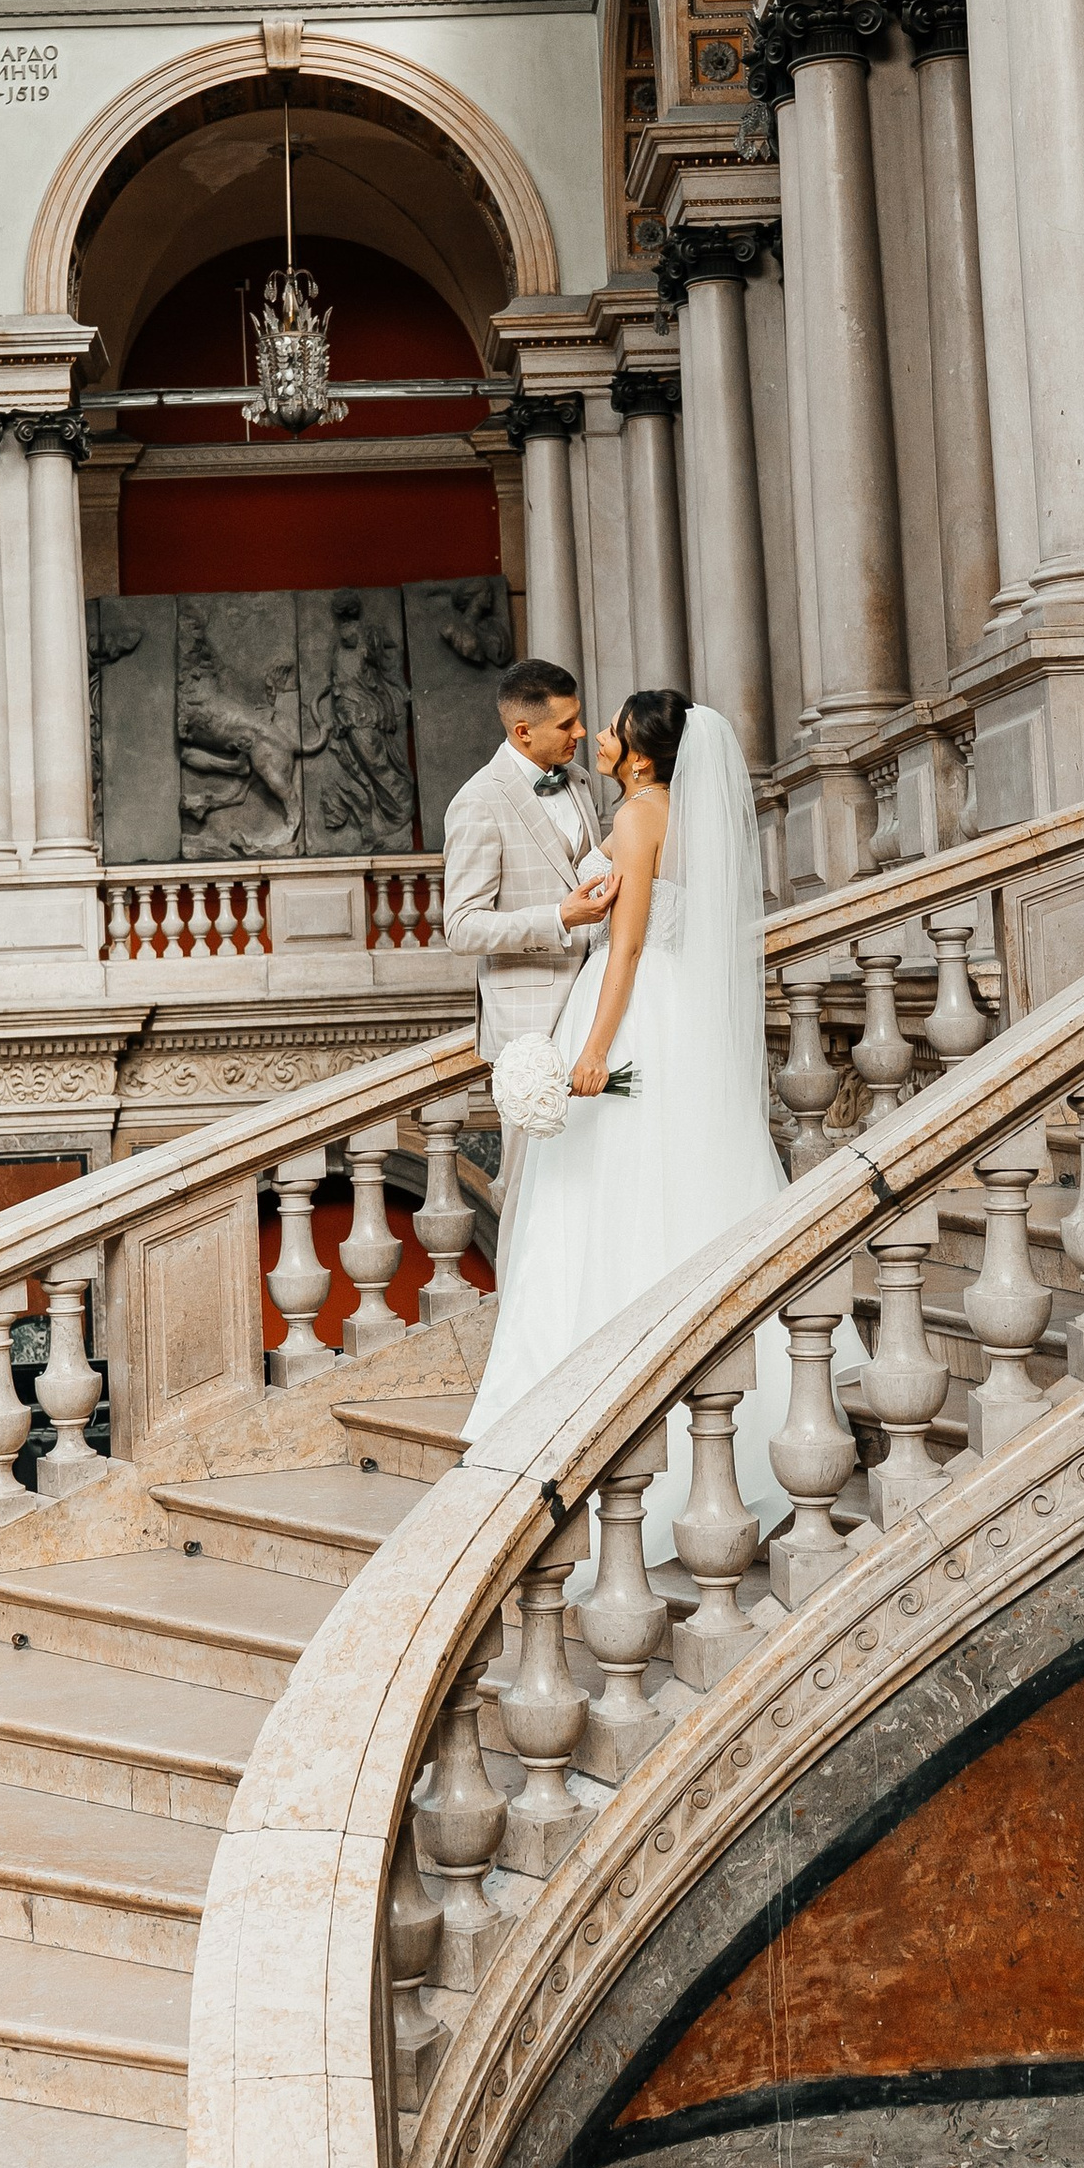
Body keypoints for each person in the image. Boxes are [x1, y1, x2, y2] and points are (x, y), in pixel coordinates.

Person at [464, 690, 791, 1562]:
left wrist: (595, 1050)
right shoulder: (661, 810)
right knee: (672, 1185)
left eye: (608, 728)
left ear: (639, 753)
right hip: (671, 1018)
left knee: (610, 1197)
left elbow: (633, 945)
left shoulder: (644, 815)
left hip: (636, 1011)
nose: (595, 737)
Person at [440, 658, 609, 1226]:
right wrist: (558, 916)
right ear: (522, 731)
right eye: (567, 724)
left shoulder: (580, 781)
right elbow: (461, 925)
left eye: (579, 720)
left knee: (592, 1184)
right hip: (529, 1027)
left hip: (597, 1006)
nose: (580, 733)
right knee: (529, 1189)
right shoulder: (477, 801)